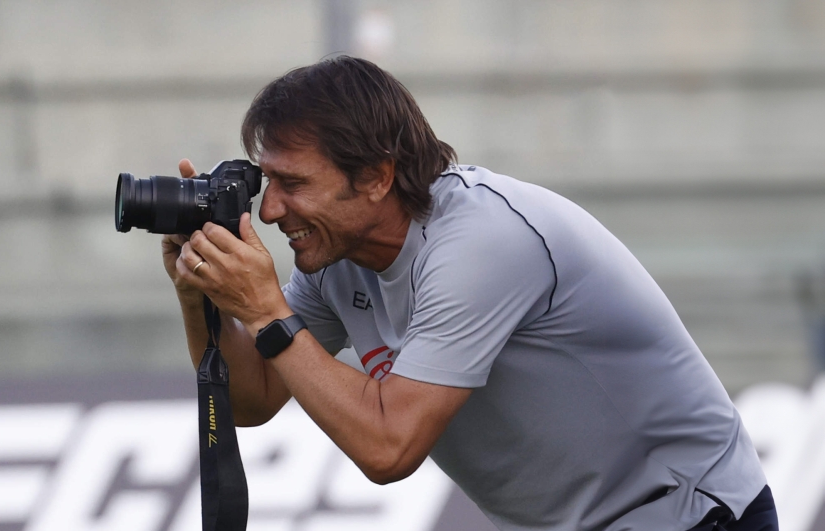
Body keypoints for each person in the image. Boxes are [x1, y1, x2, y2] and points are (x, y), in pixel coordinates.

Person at [161, 56, 777, 531]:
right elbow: (255, 399)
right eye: (267, 181)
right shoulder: (337, 252)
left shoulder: (481, 242)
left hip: (690, 514)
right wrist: (201, 298)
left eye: (293, 183)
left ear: (377, 176)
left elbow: (388, 446)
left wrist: (267, 308)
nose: (269, 211)